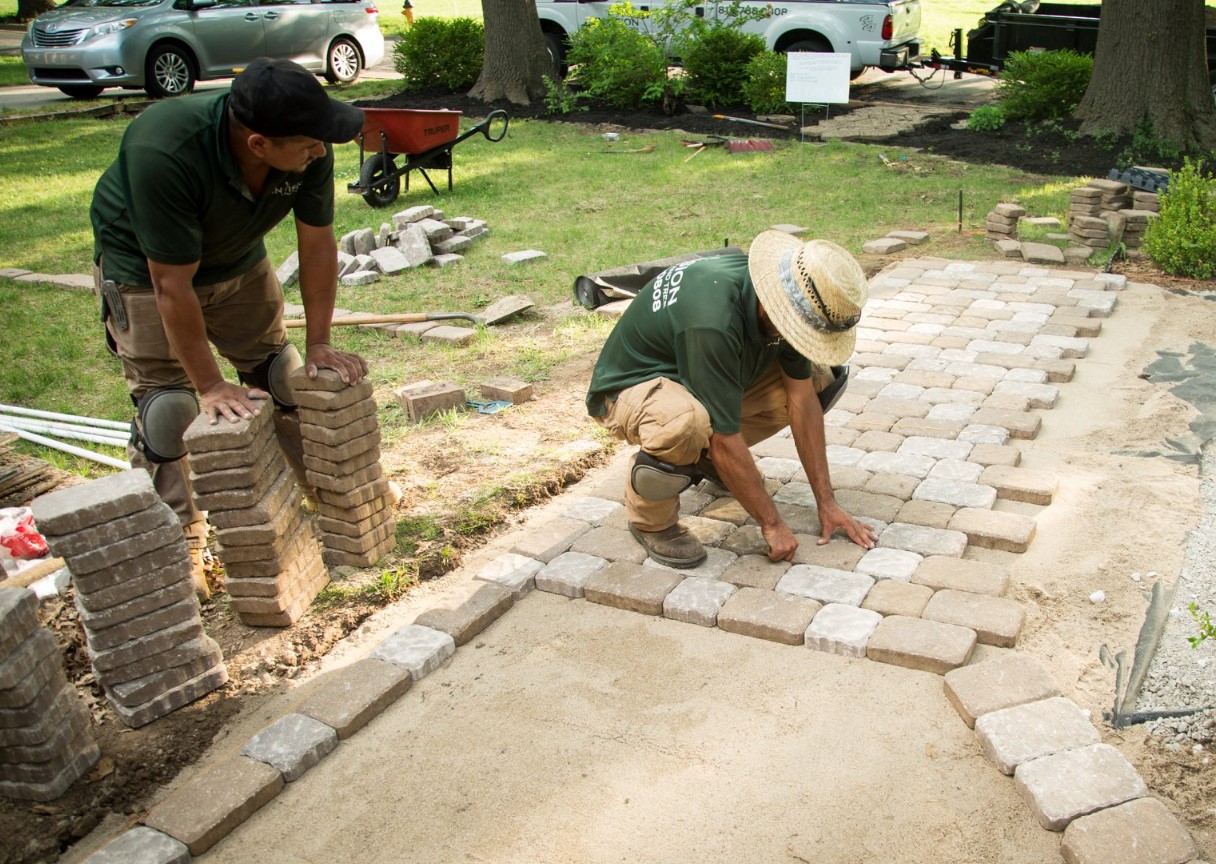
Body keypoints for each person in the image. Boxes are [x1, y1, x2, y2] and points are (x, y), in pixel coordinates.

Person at [89, 58, 370, 599]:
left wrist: (319, 342)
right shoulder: (164, 151)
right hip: (144, 272)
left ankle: (330, 494)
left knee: (282, 376)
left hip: (238, 262)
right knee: (170, 408)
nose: (321, 151)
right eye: (310, 144)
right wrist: (210, 385)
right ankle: (181, 539)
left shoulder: (307, 140)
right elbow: (171, 284)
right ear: (258, 143)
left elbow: (317, 244)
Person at [586, 233, 877, 568]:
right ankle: (651, 521)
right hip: (630, 386)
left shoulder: (787, 293)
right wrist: (772, 524)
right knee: (684, 424)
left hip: (697, 369)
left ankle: (704, 457)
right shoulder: (713, 320)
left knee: (818, 379)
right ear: (777, 308)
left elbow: (802, 399)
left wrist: (827, 502)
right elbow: (725, 439)